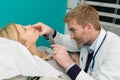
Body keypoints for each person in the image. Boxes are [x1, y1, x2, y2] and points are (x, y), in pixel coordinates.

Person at [32, 4, 120, 80]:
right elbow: (65, 41)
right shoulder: (86, 40)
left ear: (89, 27)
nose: (71, 36)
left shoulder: (115, 49)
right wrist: (50, 32)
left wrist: (68, 64)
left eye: (73, 30)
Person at [0, 23, 71, 80]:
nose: (29, 25)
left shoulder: (42, 49)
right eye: (24, 29)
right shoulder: (45, 70)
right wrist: (72, 64)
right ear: (24, 44)